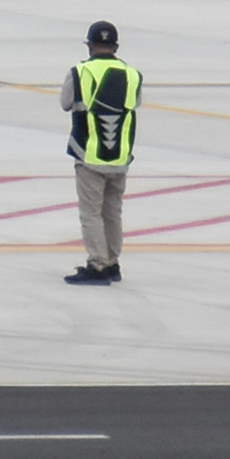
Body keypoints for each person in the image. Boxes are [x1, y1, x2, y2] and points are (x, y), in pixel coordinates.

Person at [62, 19, 140, 285]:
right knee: (112, 212)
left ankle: (97, 264)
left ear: (90, 46)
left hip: (90, 155)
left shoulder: (80, 72)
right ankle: (112, 262)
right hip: (120, 156)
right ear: (115, 46)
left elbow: (65, 103)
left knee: (91, 213)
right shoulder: (132, 74)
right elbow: (134, 104)